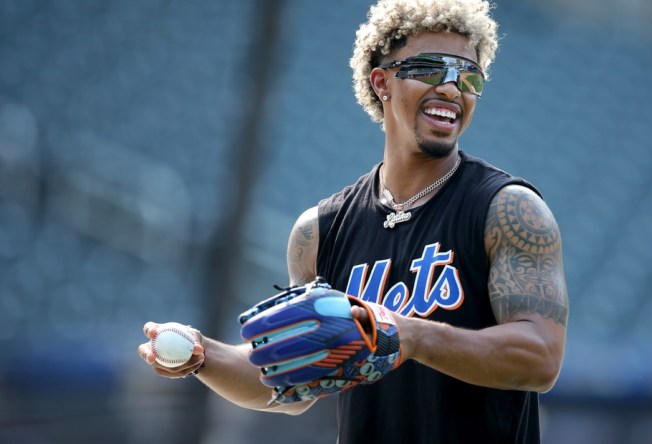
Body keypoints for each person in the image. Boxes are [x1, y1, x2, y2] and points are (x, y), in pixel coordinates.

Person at [138, 0, 568, 442]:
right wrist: (202, 354)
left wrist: (409, 336)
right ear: (381, 81)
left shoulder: (508, 209)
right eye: (431, 68)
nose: (453, 88)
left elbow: (540, 358)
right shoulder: (320, 231)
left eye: (469, 76)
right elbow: (288, 383)